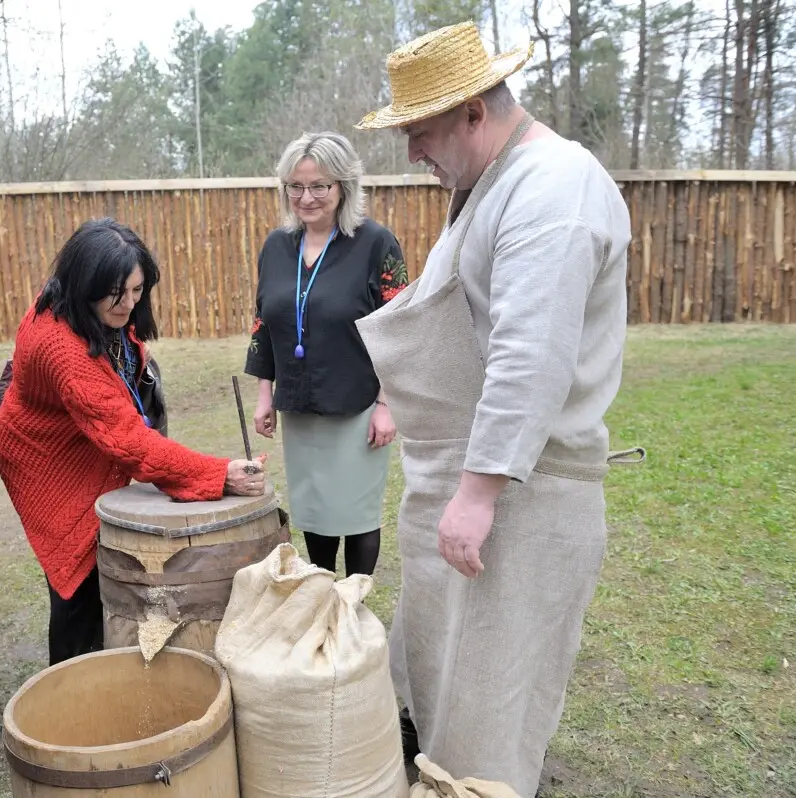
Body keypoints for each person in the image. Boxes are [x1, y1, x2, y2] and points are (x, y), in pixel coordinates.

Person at [353, 22, 635, 795]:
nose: (412, 152)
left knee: (488, 717)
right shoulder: (492, 184)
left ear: (474, 111)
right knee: (439, 687)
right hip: (469, 489)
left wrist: (477, 496)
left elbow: (530, 354)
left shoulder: (552, 189)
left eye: (421, 132)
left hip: (523, 499)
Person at [0, 218, 268, 667]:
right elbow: (128, 441)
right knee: (76, 581)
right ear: (84, 284)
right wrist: (219, 473)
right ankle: (72, 682)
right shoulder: (60, 348)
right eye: (115, 295)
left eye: (137, 291)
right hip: (47, 460)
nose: (128, 305)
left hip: (86, 433)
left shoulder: (87, 303)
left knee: (100, 563)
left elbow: (124, 382)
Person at [244, 131, 406, 578]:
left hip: (357, 405)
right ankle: (320, 597)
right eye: (295, 186)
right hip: (298, 406)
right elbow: (265, 321)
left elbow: (399, 329)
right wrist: (264, 394)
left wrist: (387, 405)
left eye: (319, 186)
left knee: (355, 517)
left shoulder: (376, 243)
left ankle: (351, 607)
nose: (306, 197)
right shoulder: (277, 246)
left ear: (343, 187)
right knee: (313, 513)